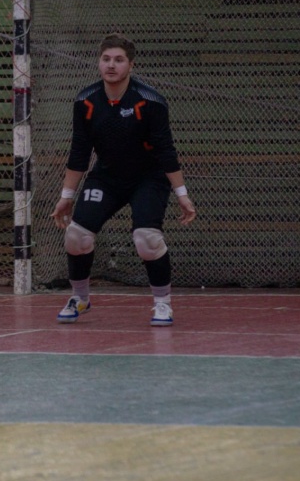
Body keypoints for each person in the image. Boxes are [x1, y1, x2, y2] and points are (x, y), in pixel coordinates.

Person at [49, 33, 196, 327]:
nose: (111, 65)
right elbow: (79, 151)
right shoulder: (85, 101)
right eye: (106, 59)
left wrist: (182, 194)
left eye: (118, 60)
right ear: (98, 63)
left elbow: (166, 150)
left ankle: (162, 303)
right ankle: (80, 298)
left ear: (131, 65)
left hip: (149, 178)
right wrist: (66, 197)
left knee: (147, 239)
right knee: (76, 236)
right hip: (107, 177)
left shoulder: (151, 101)